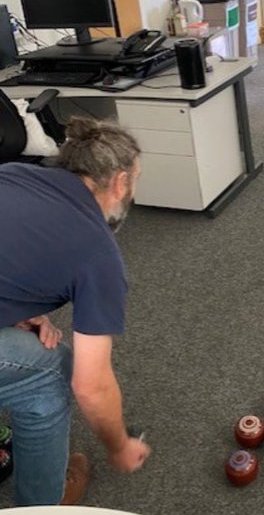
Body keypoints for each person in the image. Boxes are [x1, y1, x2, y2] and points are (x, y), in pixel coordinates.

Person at [0, 117, 152, 505]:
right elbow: (91, 384)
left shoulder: (14, 172)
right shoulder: (98, 255)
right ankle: (42, 505)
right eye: (135, 180)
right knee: (51, 371)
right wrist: (118, 447)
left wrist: (13, 307)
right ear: (120, 183)